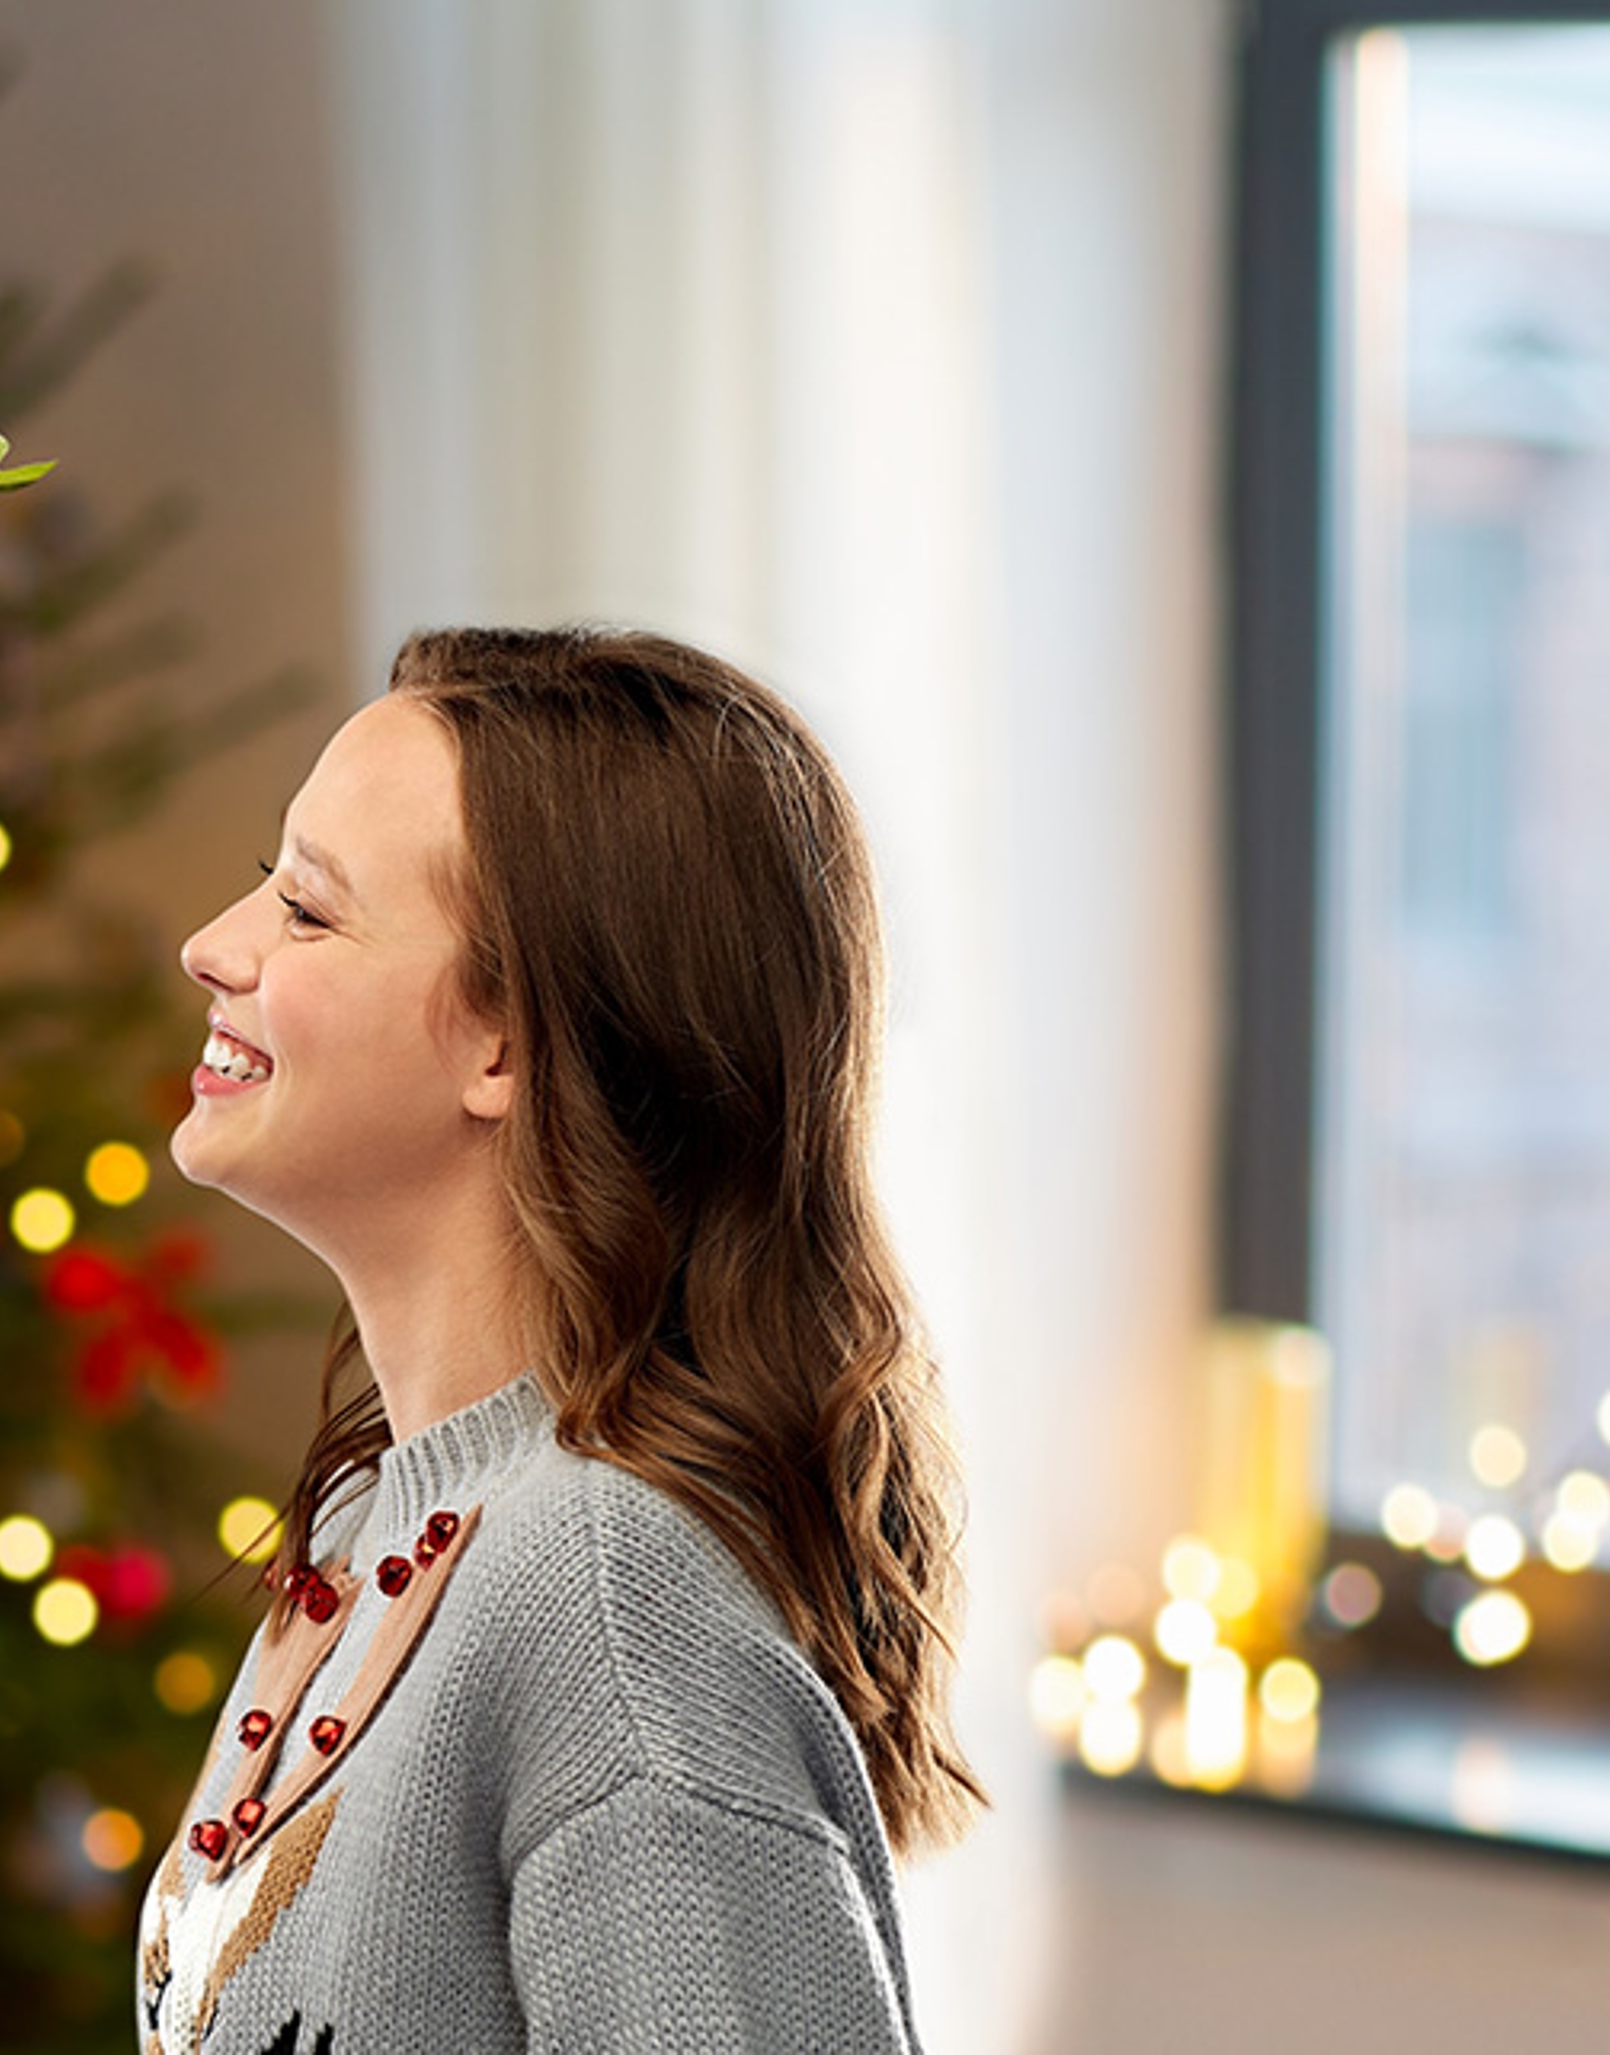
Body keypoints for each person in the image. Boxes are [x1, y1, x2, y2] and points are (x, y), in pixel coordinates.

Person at [135, 628, 981, 2052]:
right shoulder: (372, 1525)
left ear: (507, 1043)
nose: (213, 947)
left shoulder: (605, 1606)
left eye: (307, 909)